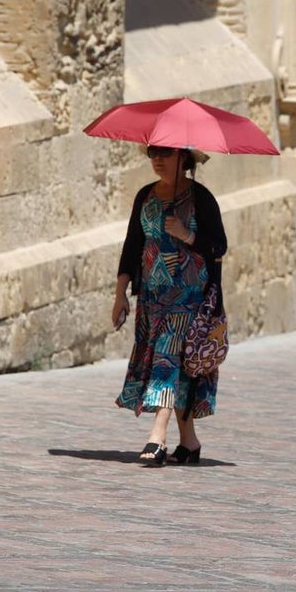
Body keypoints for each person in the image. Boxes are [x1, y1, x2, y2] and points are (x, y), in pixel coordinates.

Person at [113, 146, 227, 467]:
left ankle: (157, 435)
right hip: (152, 297)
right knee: (176, 365)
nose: (157, 159)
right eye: (152, 152)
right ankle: (189, 443)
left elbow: (219, 245)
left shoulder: (201, 198)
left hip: (190, 298)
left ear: (184, 158)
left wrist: (186, 235)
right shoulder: (145, 196)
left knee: (168, 356)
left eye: (165, 152)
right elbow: (132, 246)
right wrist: (120, 293)